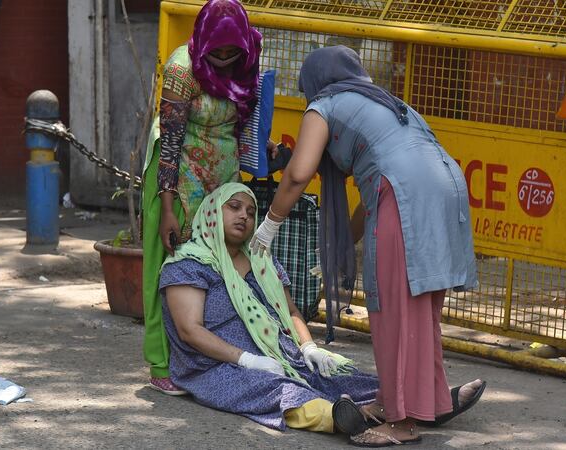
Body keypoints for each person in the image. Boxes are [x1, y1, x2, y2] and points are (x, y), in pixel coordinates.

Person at [250, 46, 486, 446]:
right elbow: (373, 199)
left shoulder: (324, 105)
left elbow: (297, 174)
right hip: (446, 187)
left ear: (314, 84)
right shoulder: (386, 103)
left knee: (393, 308)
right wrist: (344, 247)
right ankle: (424, 400)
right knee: (421, 303)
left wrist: (268, 226)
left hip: (404, 193)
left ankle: (401, 420)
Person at [159, 183, 379, 433]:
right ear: (211, 212)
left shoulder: (261, 258)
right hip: (216, 366)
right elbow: (190, 330)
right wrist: (247, 359)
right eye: (234, 207)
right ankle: (335, 416)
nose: (244, 215)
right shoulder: (189, 263)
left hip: (279, 354)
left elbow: (292, 312)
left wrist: (310, 348)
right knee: (274, 387)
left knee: (338, 376)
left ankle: (403, 403)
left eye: (251, 212)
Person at [141, 0, 273, 395]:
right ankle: (161, 362)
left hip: (222, 177)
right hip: (176, 176)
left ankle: (207, 355)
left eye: (231, 53)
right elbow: (171, 143)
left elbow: (246, 119)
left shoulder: (248, 58)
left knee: (216, 268)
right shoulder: (184, 69)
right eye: (217, 53)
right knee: (167, 265)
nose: (224, 59)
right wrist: (168, 208)